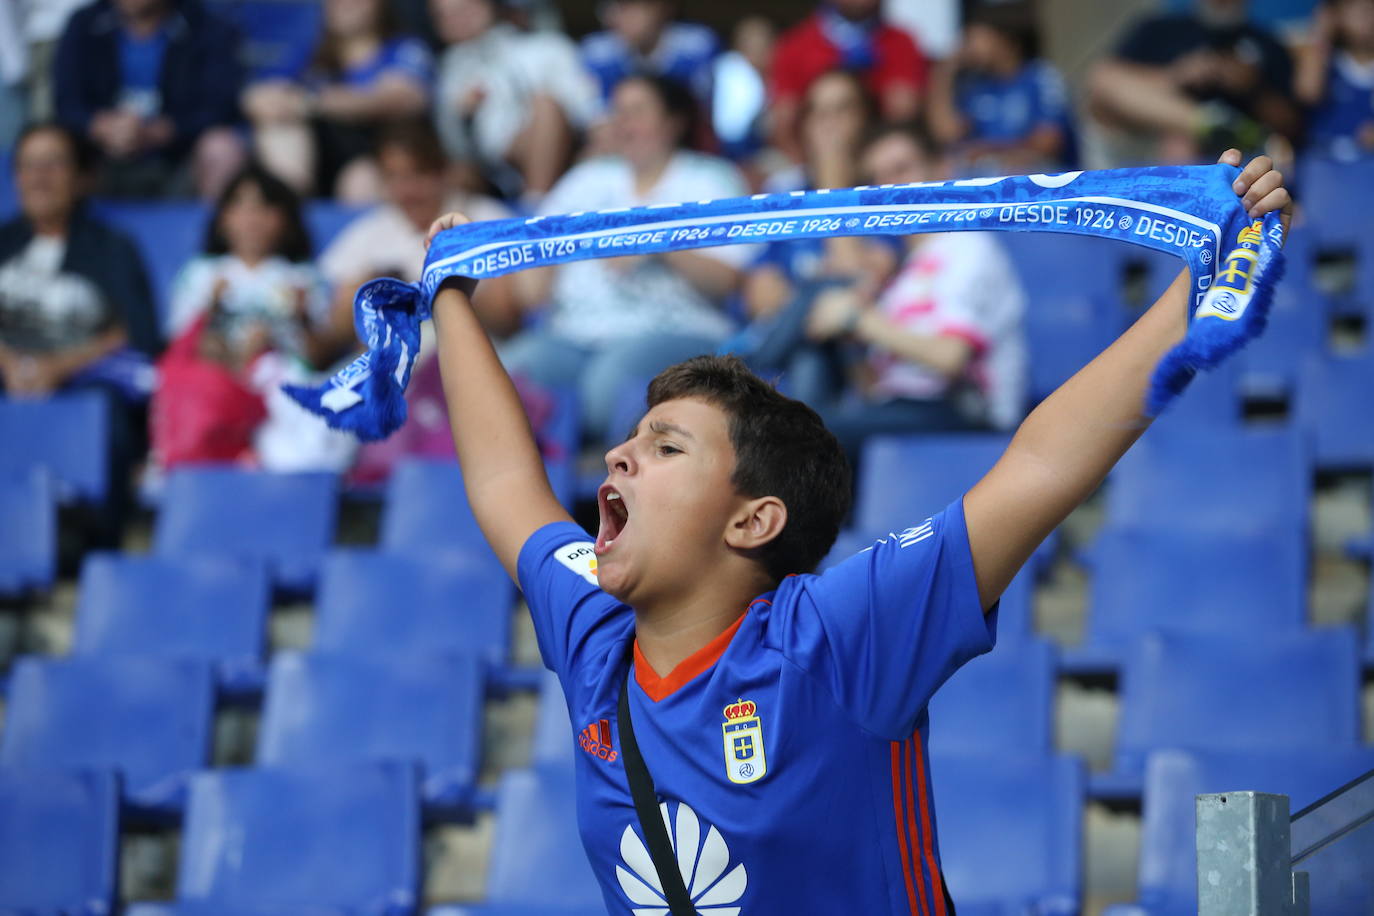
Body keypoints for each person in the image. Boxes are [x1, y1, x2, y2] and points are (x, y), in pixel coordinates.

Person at [422, 150, 1292, 913]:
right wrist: (451, 296)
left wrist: (1201, 280)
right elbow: (504, 483)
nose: (617, 455)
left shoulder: (838, 638)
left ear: (753, 520)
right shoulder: (596, 634)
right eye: (631, 440)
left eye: (666, 446)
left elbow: (1041, 465)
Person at [500, 73, 754, 442]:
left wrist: (657, 241)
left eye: (636, 112)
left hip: (677, 328)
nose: (623, 123)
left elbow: (728, 280)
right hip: (575, 332)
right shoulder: (587, 178)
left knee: (606, 387)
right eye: (618, 112)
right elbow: (536, 250)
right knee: (508, 373)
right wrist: (534, 276)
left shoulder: (708, 179)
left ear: (673, 122)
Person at [0, 122, 159, 544]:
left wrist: (57, 367)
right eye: (28, 166)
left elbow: (137, 333)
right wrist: (11, 363)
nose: (39, 178)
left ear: (81, 176)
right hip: (8, 374)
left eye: (53, 164)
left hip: (84, 382)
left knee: (106, 412)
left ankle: (90, 540)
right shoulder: (2, 242)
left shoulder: (112, 247)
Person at [152, 165, 354, 472]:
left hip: (282, 392)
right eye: (240, 207)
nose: (252, 219)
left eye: (264, 208)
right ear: (223, 218)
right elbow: (182, 351)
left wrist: (300, 319)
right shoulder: (202, 275)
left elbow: (317, 357)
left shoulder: (302, 278)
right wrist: (215, 315)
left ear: (286, 220)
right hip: (220, 392)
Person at [316, 118, 518, 371]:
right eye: (394, 178)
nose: (406, 191)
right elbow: (335, 326)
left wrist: (444, 288)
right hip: (385, 369)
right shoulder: (372, 229)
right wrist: (371, 289)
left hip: (467, 363)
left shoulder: (485, 218)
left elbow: (507, 318)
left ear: (443, 173)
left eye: (417, 175)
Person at [241, 0, 433, 201]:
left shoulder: (403, 48)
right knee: (280, 129)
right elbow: (259, 95)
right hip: (318, 160)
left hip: (378, 155)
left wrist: (312, 102)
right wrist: (273, 103)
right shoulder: (313, 53)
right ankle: (289, 206)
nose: (344, 4)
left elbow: (399, 98)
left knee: (360, 179)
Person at [52, 0, 246, 199]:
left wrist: (162, 131)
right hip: (99, 156)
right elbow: (66, 103)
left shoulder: (206, 26)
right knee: (49, 146)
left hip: (179, 156)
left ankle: (217, 220)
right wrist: (101, 127)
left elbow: (219, 106)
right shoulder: (84, 23)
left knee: (221, 147)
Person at [1086, 0, 1301, 163]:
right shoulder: (1158, 28)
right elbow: (1107, 82)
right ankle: (1212, 124)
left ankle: (1217, 129)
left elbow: (1291, 125)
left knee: (1180, 143)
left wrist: (1253, 88)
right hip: (1144, 134)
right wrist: (1176, 76)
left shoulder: (1268, 45)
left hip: (1231, 150)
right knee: (1103, 79)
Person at [429, 0, 599, 201]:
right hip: (485, 167)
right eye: (446, 16)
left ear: (487, 6)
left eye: (464, 9)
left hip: (565, 149)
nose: (458, 19)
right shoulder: (449, 71)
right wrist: (461, 117)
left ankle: (535, 201)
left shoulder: (547, 46)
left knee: (545, 106)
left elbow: (587, 109)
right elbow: (451, 146)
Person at [770, 0, 929, 162]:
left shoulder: (902, 43)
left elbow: (904, 117)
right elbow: (784, 128)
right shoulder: (795, 47)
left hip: (879, 162)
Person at [927, 6, 1077, 174]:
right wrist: (945, 71)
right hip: (992, 169)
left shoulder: (1041, 77)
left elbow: (1048, 143)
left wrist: (988, 150)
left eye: (978, 37)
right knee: (943, 168)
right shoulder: (977, 85)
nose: (970, 46)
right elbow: (947, 134)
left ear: (1006, 40)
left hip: (1043, 173)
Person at [580, 0, 719, 107]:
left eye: (629, 6)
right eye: (613, 7)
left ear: (661, 7)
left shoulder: (697, 46)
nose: (615, 17)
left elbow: (709, 110)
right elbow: (596, 117)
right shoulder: (597, 53)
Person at [1295, 0, 1374, 161]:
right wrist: (1321, 30)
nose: (1366, 15)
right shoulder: (1324, 60)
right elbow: (1308, 93)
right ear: (1336, 15)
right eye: (1355, 8)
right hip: (1324, 157)